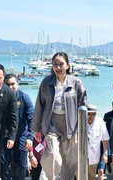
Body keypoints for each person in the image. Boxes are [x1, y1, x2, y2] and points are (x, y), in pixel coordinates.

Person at [32, 52, 87, 180]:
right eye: (55, 64)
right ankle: (54, 177)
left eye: (61, 64)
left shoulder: (76, 82)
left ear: (67, 65)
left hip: (71, 125)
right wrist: (35, 128)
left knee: (69, 161)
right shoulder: (47, 82)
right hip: (51, 123)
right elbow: (39, 104)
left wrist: (81, 129)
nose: (58, 67)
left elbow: (83, 106)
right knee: (53, 154)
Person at [0, 74, 34, 180]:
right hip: (4, 137)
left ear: (17, 84)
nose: (10, 87)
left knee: (20, 165)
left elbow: (32, 120)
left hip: (20, 137)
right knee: (4, 165)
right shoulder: (0, 98)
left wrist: (30, 137)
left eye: (13, 84)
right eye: (7, 84)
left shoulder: (24, 98)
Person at [86, 105, 109, 180]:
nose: (91, 117)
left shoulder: (100, 122)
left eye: (93, 114)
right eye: (89, 114)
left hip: (93, 156)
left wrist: (105, 154)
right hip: (79, 156)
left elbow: (105, 138)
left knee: (91, 177)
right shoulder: (79, 120)